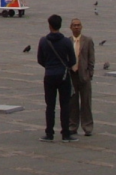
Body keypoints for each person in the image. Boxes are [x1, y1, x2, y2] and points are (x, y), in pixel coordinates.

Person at [37, 14, 77, 142]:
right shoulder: (66, 41)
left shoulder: (43, 41)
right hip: (63, 76)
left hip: (49, 75)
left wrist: (49, 66)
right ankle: (65, 133)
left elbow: (40, 59)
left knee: (50, 105)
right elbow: (72, 60)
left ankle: (49, 133)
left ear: (49, 25)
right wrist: (65, 66)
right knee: (65, 105)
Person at [68, 18, 95, 137]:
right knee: (72, 103)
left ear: (81, 27)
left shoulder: (87, 41)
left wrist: (90, 73)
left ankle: (87, 127)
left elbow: (91, 58)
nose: (76, 27)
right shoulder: (67, 41)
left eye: (78, 25)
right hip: (72, 75)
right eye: (74, 25)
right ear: (71, 27)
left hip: (84, 75)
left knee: (86, 102)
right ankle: (72, 126)